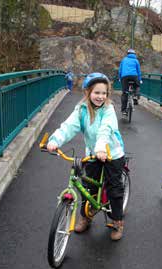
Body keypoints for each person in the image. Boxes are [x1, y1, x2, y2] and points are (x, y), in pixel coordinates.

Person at [47, 72, 126, 240]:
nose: (100, 96)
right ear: (88, 92)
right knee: (88, 187)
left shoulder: (109, 110)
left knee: (114, 188)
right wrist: (55, 140)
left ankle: (117, 221)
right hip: (93, 153)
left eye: (104, 93)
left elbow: (105, 130)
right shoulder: (81, 109)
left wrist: (101, 149)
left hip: (112, 153)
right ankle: (87, 217)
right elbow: (69, 126)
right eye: (97, 92)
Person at [118, 49, 142, 116]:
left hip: (124, 77)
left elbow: (120, 70)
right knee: (137, 86)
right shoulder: (136, 60)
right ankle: (135, 96)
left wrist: (120, 78)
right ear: (134, 54)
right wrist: (140, 79)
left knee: (124, 93)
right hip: (134, 76)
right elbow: (139, 71)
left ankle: (124, 110)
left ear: (127, 54)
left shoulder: (124, 60)